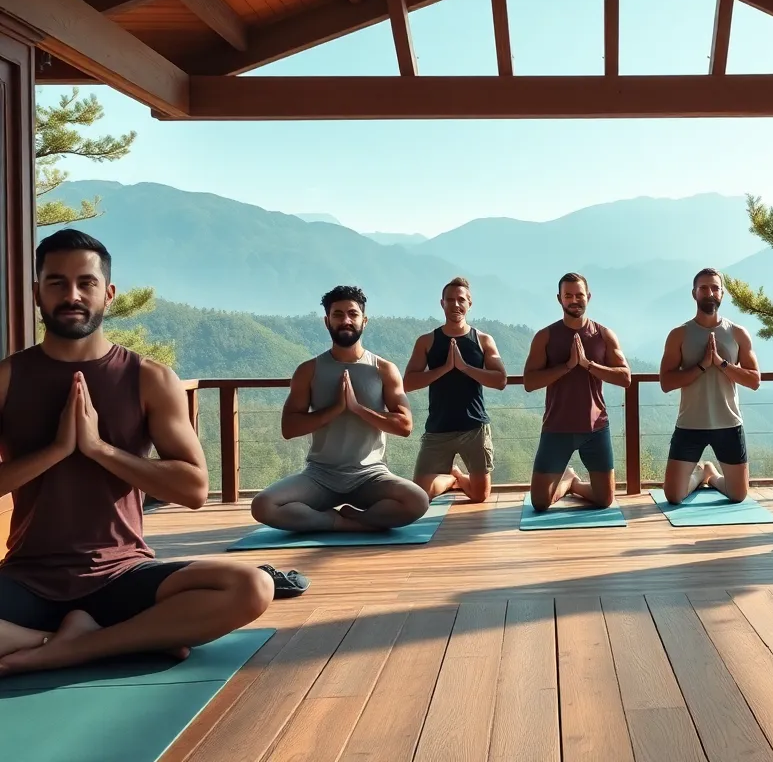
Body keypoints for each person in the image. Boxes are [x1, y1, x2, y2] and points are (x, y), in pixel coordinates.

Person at [0, 229, 273, 676]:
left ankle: (68, 649)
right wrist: (57, 450)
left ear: (107, 294)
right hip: (27, 578)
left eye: (86, 283)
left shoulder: (148, 378)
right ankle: (79, 642)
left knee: (251, 586)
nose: (72, 295)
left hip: (121, 574)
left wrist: (99, 449)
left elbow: (194, 489)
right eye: (57, 283)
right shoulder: (8, 379)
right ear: (36, 293)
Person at [251, 286, 429, 532]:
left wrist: (357, 408)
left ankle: (355, 518)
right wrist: (335, 409)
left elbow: (405, 426)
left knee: (417, 501)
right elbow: (289, 427)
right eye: (338, 315)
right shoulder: (308, 370)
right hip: (320, 475)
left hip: (370, 475)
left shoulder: (383, 369)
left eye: (352, 314)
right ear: (327, 321)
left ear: (364, 321)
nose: (346, 320)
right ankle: (340, 522)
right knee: (263, 505)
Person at [522, 272, 631, 509]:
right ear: (559, 299)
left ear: (588, 297)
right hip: (556, 426)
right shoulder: (545, 336)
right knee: (540, 503)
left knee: (604, 500)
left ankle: (572, 482)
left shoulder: (603, 334)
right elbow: (529, 382)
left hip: (595, 427)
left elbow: (625, 378)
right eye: (568, 295)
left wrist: (588, 365)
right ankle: (567, 481)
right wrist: (568, 366)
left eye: (579, 295)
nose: (574, 300)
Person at [658, 268, 761, 503]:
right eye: (703, 288)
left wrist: (722, 364)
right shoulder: (679, 334)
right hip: (690, 424)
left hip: (729, 423)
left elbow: (754, 380)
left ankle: (710, 474)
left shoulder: (738, 333)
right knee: (673, 496)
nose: (709, 292)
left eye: (715, 288)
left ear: (722, 294)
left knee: (738, 495)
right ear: (694, 293)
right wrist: (703, 366)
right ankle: (701, 473)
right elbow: (666, 382)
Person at [403, 278, 507, 503]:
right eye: (450, 300)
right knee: (420, 495)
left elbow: (500, 380)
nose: (455, 305)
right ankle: (452, 479)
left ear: (470, 303)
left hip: (474, 427)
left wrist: (465, 368)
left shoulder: (482, 340)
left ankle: (457, 475)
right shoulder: (427, 341)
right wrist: (445, 369)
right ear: (442, 304)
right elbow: (408, 383)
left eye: (461, 300)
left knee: (480, 496)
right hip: (438, 428)